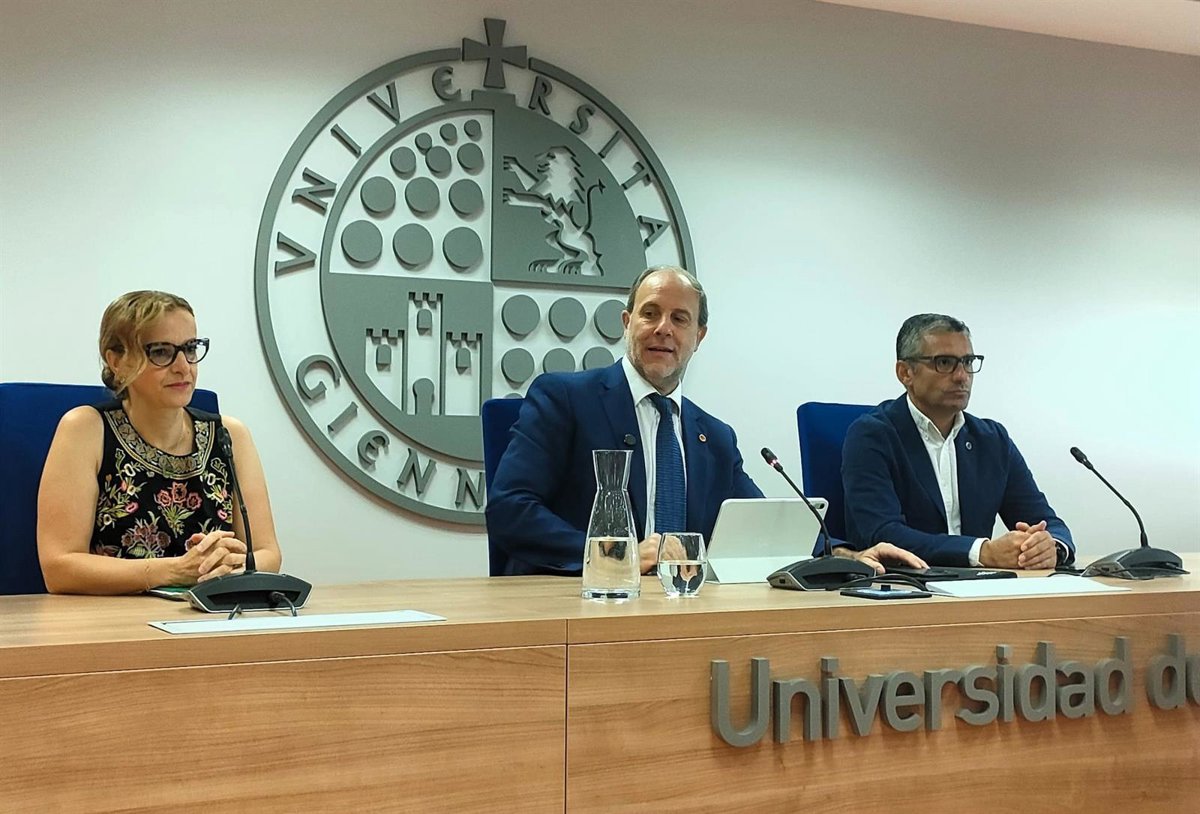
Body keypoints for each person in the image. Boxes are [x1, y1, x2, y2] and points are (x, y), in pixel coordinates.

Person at [487, 265, 922, 577]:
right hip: (581, 601)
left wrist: (844, 554)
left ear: (699, 336)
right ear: (626, 323)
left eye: (680, 319)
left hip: (681, 608)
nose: (663, 328)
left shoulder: (714, 436)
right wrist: (614, 554)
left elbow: (762, 525)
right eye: (650, 313)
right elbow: (511, 508)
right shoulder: (564, 398)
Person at [37, 290, 283, 594]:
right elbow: (59, 568)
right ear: (117, 361)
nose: (183, 366)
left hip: (209, 615)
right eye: (161, 352)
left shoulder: (229, 434)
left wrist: (231, 565)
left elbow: (268, 554)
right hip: (113, 616)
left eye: (190, 348)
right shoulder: (85, 429)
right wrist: (175, 570)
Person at [841, 313, 1073, 569]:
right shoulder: (872, 435)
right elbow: (882, 534)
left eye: (968, 362)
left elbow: (1047, 522)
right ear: (905, 372)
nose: (962, 376)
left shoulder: (992, 439)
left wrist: (1049, 547)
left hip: (981, 586)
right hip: (907, 584)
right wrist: (980, 552)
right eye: (944, 363)